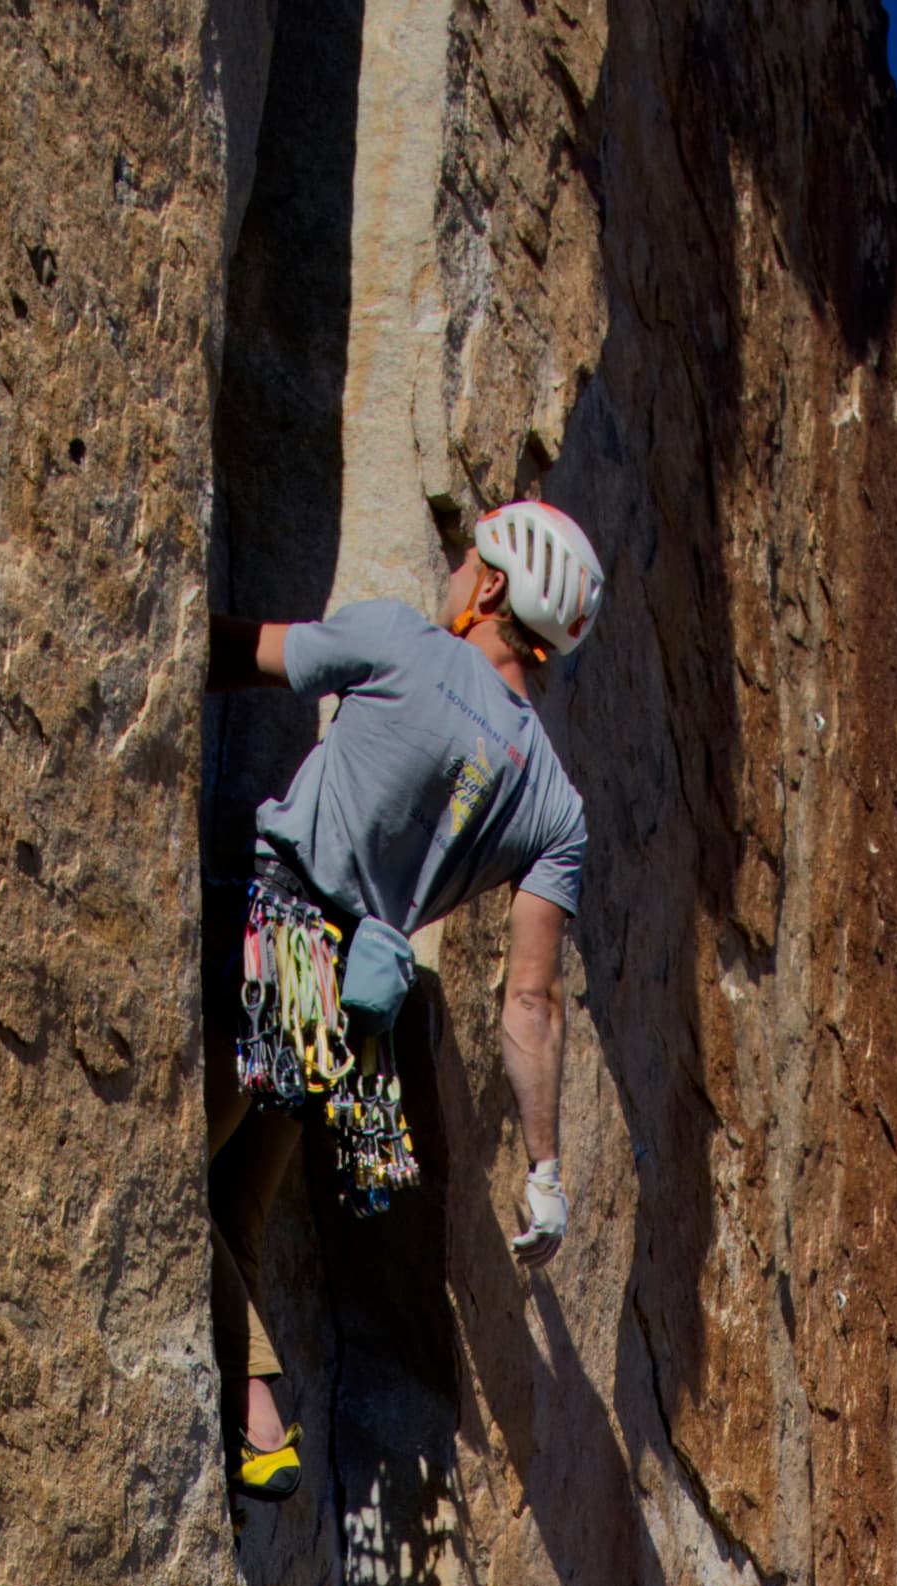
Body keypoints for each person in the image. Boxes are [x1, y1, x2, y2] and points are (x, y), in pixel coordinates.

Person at [202, 497, 604, 1496]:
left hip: (277, 946)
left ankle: (260, 1414)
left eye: (470, 561)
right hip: (353, 1018)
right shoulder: (554, 804)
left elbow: (240, 652)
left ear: (494, 589)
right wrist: (546, 1171)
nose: (456, 574)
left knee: (179, 1168)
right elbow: (531, 1003)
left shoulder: (400, 643)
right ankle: (265, 1439)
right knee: (235, 1208)